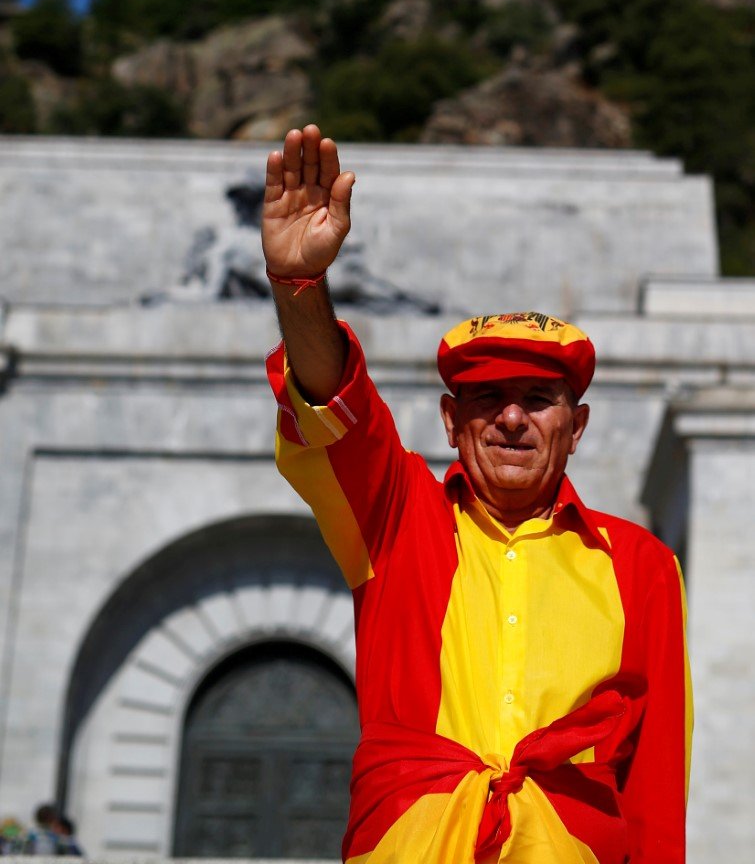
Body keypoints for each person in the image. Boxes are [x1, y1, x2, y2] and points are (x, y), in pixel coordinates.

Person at [263, 125, 692, 864]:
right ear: (450, 421)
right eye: (488, 398)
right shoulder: (394, 520)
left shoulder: (641, 563)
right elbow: (338, 408)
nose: (513, 417)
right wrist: (300, 288)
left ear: (576, 425)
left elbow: (654, 782)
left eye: (537, 398)